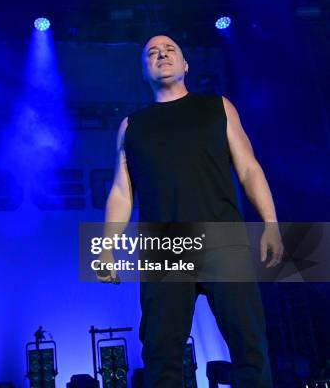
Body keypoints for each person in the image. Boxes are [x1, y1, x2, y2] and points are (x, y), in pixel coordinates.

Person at [100, 35, 284, 387]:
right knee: (161, 352)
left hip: (223, 238)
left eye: (170, 50)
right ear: (144, 70)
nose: (162, 55)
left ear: (185, 64)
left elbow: (248, 168)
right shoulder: (132, 126)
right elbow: (122, 191)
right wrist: (106, 246)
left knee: (249, 345)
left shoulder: (218, 107)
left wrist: (271, 223)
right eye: (152, 53)